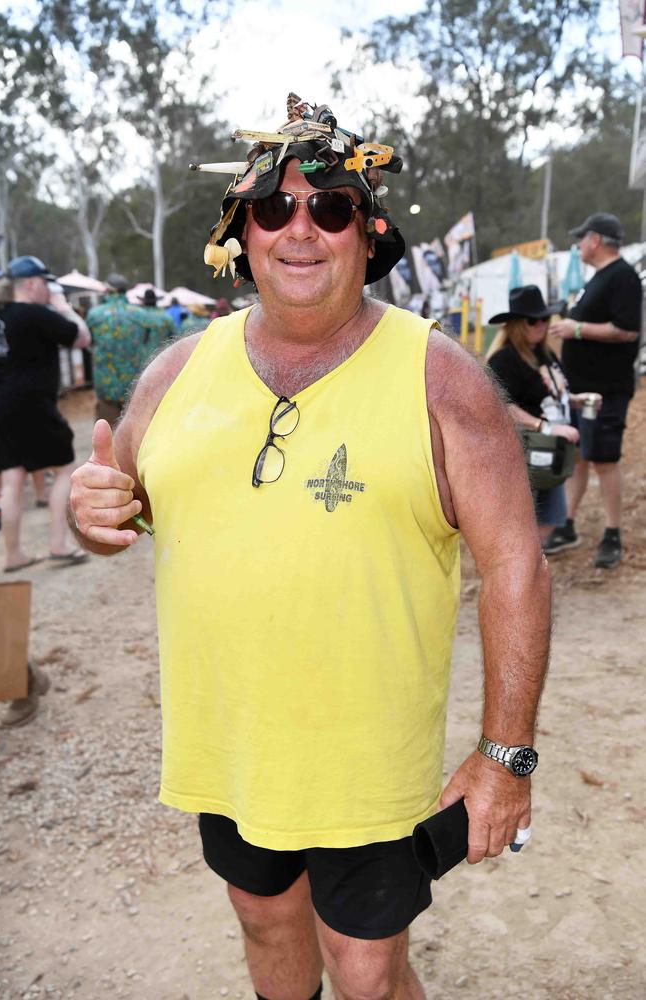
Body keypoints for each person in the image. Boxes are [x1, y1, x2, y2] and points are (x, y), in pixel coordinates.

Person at [68, 96, 550, 998]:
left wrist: (505, 758)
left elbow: (517, 564)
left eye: (330, 209)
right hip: (230, 750)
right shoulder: (175, 373)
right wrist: (87, 515)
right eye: (274, 208)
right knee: (262, 925)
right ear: (240, 233)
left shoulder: (443, 378)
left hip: (368, 769)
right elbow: (115, 506)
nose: (302, 229)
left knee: (367, 969)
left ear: (366, 235)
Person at [549, 213, 642, 568]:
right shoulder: (600, 278)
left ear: (596, 240)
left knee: (605, 459)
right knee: (580, 458)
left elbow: (628, 330)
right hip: (584, 388)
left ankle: (612, 533)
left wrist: (576, 329)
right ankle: (567, 524)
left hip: (606, 388)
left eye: (581, 237)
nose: (578, 245)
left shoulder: (623, 277)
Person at [0, 255, 91, 571]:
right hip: (32, 404)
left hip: (1, 405)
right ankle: (58, 545)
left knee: (12, 479)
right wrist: (62, 306)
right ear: (34, 284)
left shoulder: (1, 316)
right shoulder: (35, 314)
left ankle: (12, 555)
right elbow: (82, 337)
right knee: (65, 470)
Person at [486, 285, 591, 543]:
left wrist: (577, 401)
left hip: (550, 450)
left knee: (550, 516)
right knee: (522, 519)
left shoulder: (544, 352)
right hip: (522, 451)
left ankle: (535, 563)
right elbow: (501, 404)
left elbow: (550, 394)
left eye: (546, 318)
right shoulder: (503, 359)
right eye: (534, 320)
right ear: (516, 325)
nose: (542, 325)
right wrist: (544, 427)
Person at [86, 274, 168, 425]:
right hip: (133, 386)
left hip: (106, 385)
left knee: (107, 436)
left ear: (108, 290)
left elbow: (89, 342)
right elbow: (146, 340)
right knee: (134, 435)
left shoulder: (95, 314)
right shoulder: (140, 314)